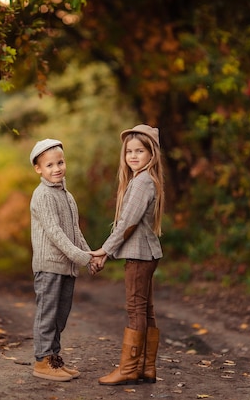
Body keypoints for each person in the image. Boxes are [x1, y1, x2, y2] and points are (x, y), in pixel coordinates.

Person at [89, 124, 165, 386]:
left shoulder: (143, 181)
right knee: (146, 310)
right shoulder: (144, 179)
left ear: (151, 154)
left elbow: (128, 223)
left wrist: (104, 250)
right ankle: (147, 367)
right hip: (148, 253)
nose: (133, 156)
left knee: (135, 310)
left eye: (140, 151)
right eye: (129, 151)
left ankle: (129, 368)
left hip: (140, 254)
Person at [29, 138, 100, 382]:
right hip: (49, 266)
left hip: (66, 267)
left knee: (60, 315)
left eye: (60, 162)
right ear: (38, 169)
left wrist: (89, 255)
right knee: (47, 314)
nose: (56, 168)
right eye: (49, 165)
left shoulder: (67, 196)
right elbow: (55, 234)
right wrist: (81, 257)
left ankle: (54, 359)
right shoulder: (43, 195)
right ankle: (42, 361)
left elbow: (73, 230)